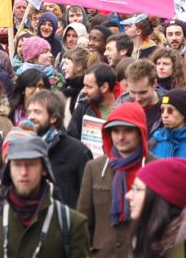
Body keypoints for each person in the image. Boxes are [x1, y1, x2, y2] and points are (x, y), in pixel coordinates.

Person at [0, 134, 90, 257]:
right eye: (17, 164)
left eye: (31, 164)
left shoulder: (71, 224)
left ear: (44, 169)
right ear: (8, 169)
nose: (23, 172)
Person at [77, 102, 157, 258]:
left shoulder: (156, 168)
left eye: (128, 131)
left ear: (140, 132)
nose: (120, 137)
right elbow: (84, 222)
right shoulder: (94, 168)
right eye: (115, 131)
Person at [27, 90, 93, 208]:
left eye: (37, 112)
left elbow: (87, 199)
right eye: (29, 112)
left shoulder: (78, 152)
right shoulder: (24, 147)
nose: (31, 117)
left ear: (53, 118)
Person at [148, 89, 186, 209]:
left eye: (170, 110)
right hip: (159, 216)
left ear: (183, 113)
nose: (164, 115)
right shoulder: (154, 142)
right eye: (162, 110)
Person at [67, 63, 117, 139]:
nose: (83, 91)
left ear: (104, 87)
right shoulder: (83, 107)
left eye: (89, 87)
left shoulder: (125, 108)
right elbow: (71, 138)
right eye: (84, 85)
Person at [115, 59, 164, 136]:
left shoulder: (168, 107)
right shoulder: (122, 102)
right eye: (133, 92)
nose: (137, 98)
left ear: (154, 84)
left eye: (143, 92)